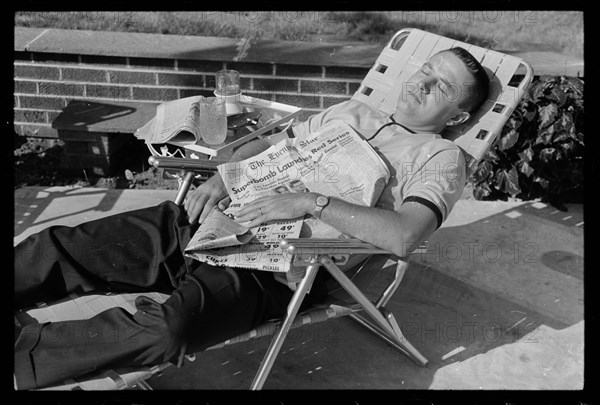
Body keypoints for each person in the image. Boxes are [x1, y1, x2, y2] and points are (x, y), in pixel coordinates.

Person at [14, 47, 489, 390]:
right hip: (214, 218)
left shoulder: (440, 157)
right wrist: (226, 175)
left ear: (459, 114)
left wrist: (309, 202)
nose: (421, 83)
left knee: (168, 329)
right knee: (55, 247)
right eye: (424, 71)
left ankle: (26, 353)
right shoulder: (351, 110)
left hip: (275, 263)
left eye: (440, 86)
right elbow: (273, 144)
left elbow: (405, 236)